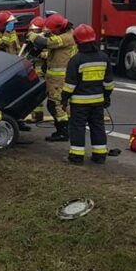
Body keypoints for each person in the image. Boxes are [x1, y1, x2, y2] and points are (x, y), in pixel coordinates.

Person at [62, 24, 114, 164]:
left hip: (79, 104)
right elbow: (108, 83)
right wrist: (106, 96)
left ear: (77, 41)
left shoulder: (76, 60)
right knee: (97, 126)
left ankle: (76, 156)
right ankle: (99, 155)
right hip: (98, 101)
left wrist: (64, 100)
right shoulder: (104, 57)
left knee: (77, 128)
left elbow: (69, 85)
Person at [32, 14, 76, 142]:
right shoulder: (66, 34)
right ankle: (66, 129)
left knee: (55, 105)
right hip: (55, 78)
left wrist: (32, 36)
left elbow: (46, 43)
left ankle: (63, 132)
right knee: (57, 104)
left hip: (59, 79)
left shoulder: (66, 37)